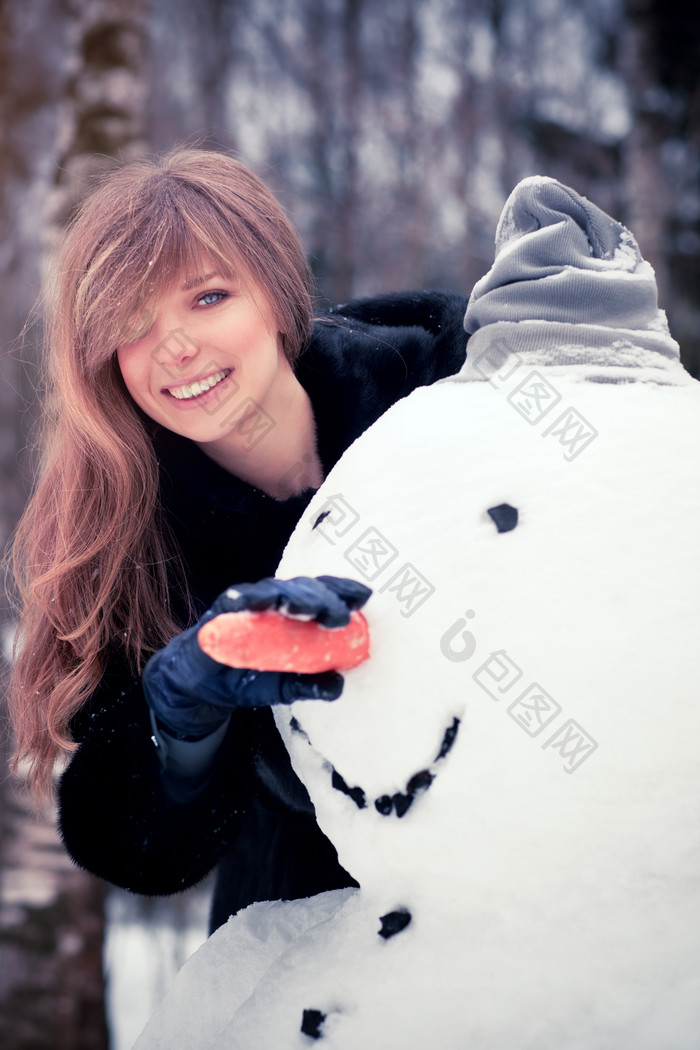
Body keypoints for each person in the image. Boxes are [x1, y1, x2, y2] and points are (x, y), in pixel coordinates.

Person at [7, 147, 468, 932]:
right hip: (320, 932)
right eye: (132, 326)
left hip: (556, 869)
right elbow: (141, 852)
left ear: (277, 294)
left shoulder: (453, 382)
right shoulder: (128, 546)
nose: (175, 347)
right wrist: (185, 717)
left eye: (209, 297)